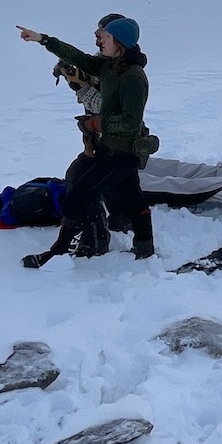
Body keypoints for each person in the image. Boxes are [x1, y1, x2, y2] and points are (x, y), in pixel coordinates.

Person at [17, 16, 155, 265]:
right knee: (133, 199)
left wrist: (97, 123)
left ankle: (59, 250)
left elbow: (131, 121)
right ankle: (145, 248)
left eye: (105, 35)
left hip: (124, 153)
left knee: (78, 194)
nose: (99, 38)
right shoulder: (109, 66)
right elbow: (79, 58)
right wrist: (43, 40)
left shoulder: (133, 77)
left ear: (120, 42)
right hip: (108, 148)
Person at [53, 13, 127, 257]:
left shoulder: (119, 67)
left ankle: (95, 238)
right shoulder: (103, 60)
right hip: (99, 139)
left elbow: (105, 105)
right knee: (116, 186)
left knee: (80, 180)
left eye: (101, 32)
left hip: (114, 141)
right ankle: (120, 220)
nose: (96, 37)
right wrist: (76, 77)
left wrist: (80, 86)